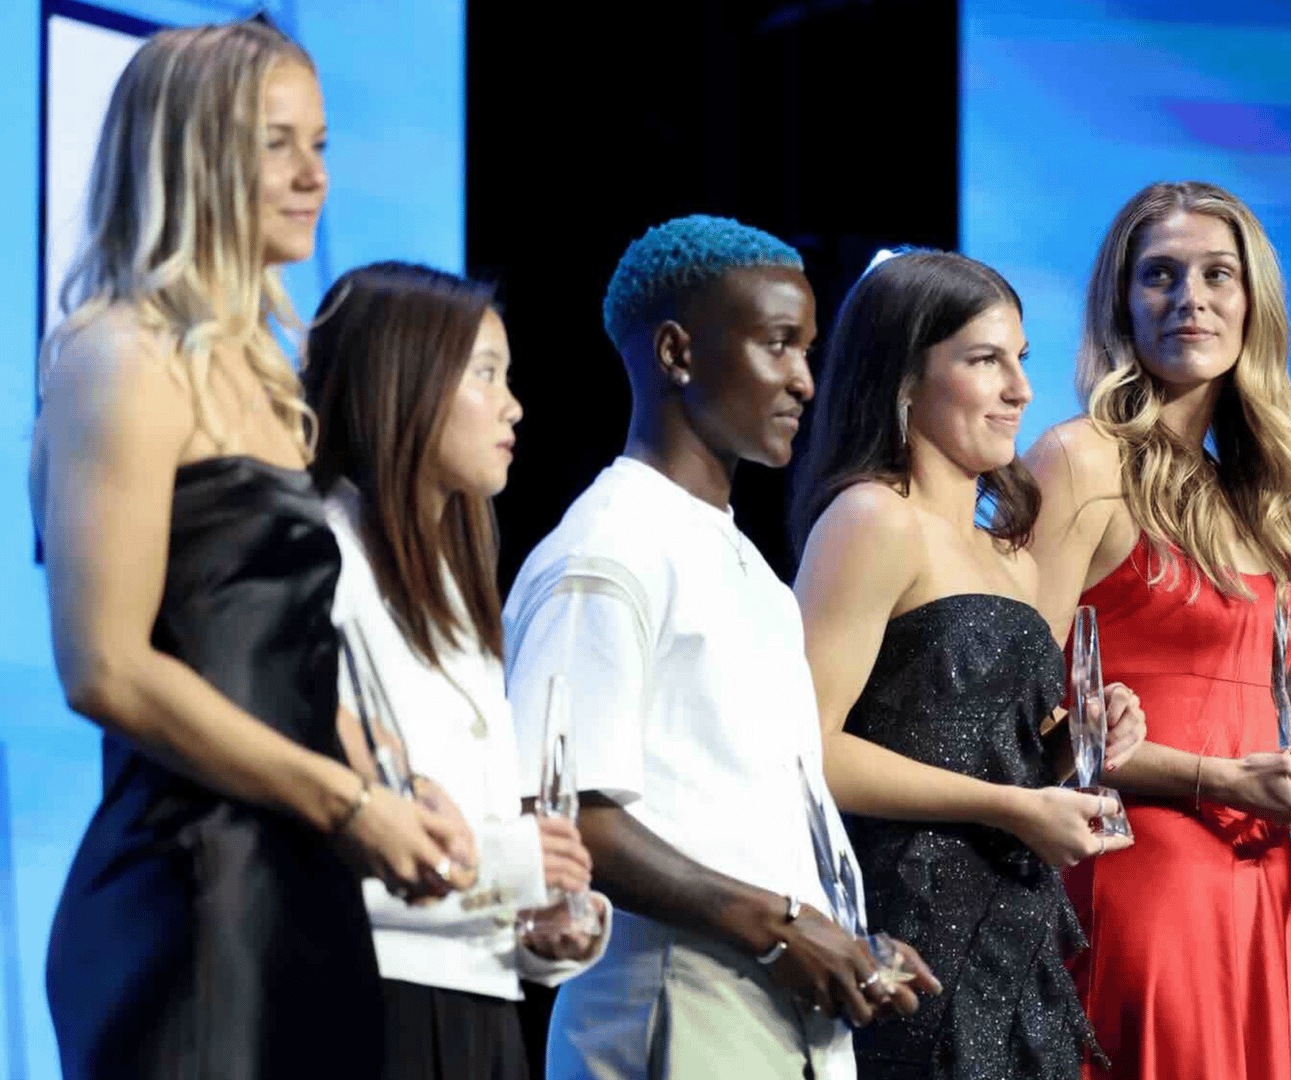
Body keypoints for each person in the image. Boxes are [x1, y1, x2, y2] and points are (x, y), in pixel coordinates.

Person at [33, 21, 465, 1080]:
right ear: (190, 155)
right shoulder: (117, 358)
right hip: (191, 890)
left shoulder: (269, 378)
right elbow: (107, 668)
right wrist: (347, 802)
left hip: (299, 878)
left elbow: (272, 651)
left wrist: (392, 781)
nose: (314, 176)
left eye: (319, 143)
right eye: (278, 144)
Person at [502, 215, 938, 1080]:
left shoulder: (745, 565)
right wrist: (780, 928)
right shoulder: (607, 549)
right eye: (779, 344)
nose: (806, 382)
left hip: (775, 1011)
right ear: (676, 353)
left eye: (810, 349)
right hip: (679, 1005)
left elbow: (746, 815)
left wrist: (840, 935)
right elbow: (568, 816)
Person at [1024, 180, 1291, 1080]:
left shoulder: (1257, 504)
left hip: (1252, 880)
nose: (1192, 298)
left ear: (1253, 303)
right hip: (1139, 876)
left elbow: (1258, 711)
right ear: (1119, 302)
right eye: (1161, 276)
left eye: (1219, 273)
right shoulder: (1080, 460)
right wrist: (1219, 777)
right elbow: (1018, 715)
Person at [791, 250, 1146, 1079]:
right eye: (987, 360)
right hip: (906, 936)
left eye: (1021, 359)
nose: (1021, 389)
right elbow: (810, 748)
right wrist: (1011, 805)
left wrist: (1075, 746)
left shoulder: (1014, 557)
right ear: (905, 377)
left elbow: (993, 748)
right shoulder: (872, 519)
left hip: (1014, 935)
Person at [304, 261, 614, 1080]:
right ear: (399, 382)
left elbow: (480, 846)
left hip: (478, 1011)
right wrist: (513, 867)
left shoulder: (453, 581)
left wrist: (543, 924)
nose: (513, 406)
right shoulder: (318, 564)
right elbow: (320, 839)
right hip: (368, 1003)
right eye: (484, 374)